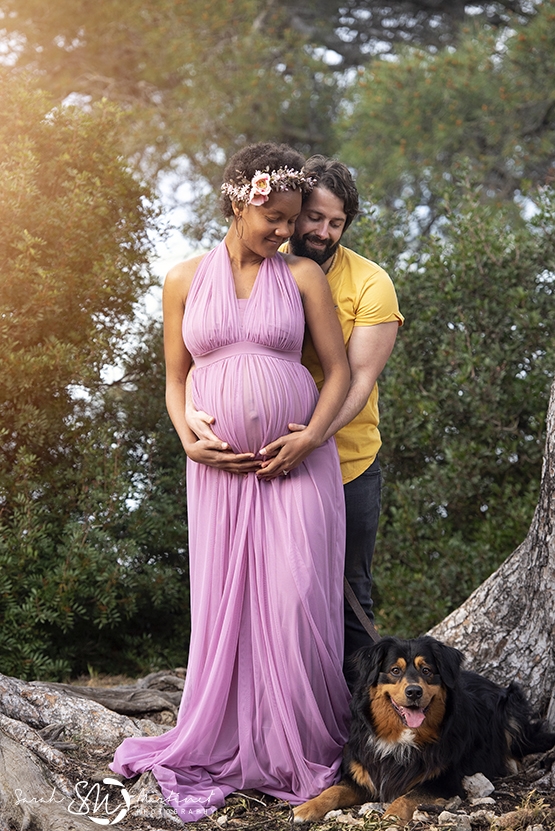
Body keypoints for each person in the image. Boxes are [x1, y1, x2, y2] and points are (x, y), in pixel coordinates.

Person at [111, 143, 351, 822]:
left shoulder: (302, 277)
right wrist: (189, 435)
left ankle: (297, 744)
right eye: (274, 218)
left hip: (297, 462)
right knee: (231, 601)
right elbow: (175, 378)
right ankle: (228, 737)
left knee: (297, 594)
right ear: (240, 199)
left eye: (293, 219)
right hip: (217, 472)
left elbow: (336, 372)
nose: (285, 231)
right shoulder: (183, 279)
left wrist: (308, 436)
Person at [188, 156, 403, 688]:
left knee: (344, 592)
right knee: (265, 592)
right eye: (313, 218)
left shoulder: (370, 284)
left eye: (336, 223)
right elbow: (210, 352)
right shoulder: (262, 262)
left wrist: (310, 439)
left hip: (343, 460)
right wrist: (194, 410)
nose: (320, 232)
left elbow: (354, 380)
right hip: (254, 467)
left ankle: (363, 728)